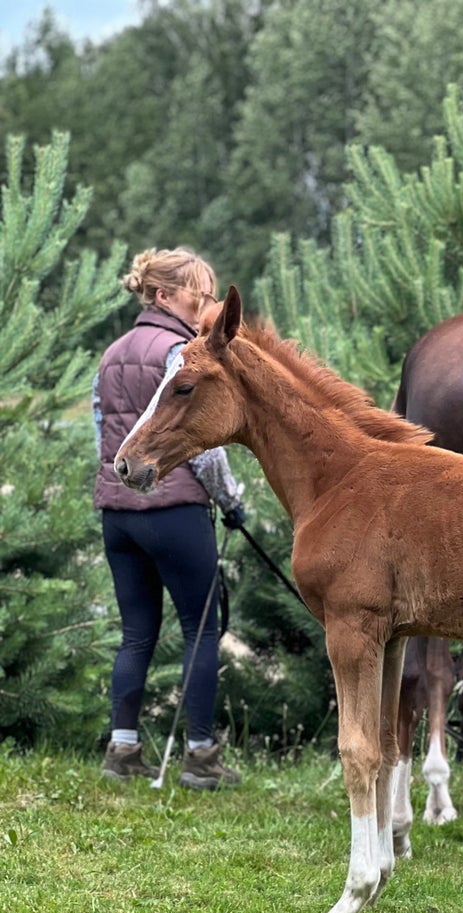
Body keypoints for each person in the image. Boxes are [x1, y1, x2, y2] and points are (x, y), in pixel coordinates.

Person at [94, 247, 247, 789]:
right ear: (163, 296)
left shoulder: (110, 354)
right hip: (175, 509)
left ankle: (123, 750)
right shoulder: (181, 352)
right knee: (202, 630)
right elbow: (203, 443)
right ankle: (201, 756)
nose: (204, 303)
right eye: (196, 293)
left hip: (118, 515)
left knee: (136, 634)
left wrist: (117, 489)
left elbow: (102, 437)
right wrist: (230, 501)